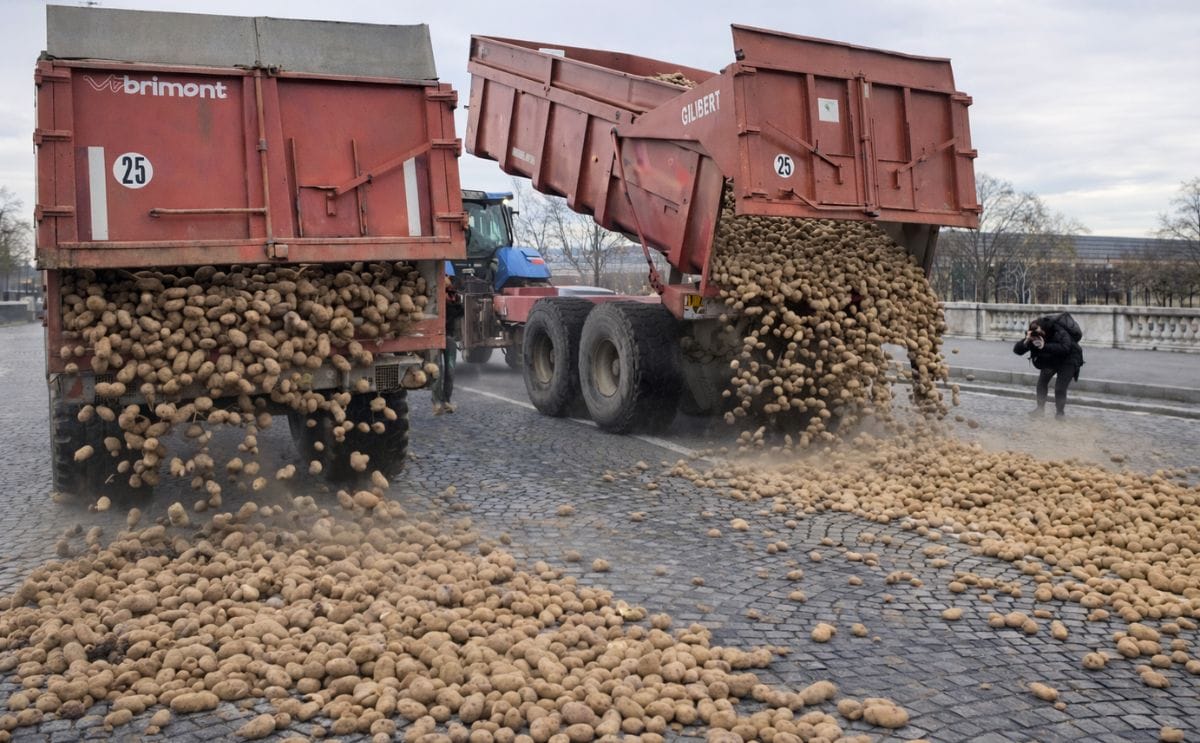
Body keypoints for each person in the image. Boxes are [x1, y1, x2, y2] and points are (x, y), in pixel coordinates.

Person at [1012, 317, 1084, 418]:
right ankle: (1040, 409)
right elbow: (1017, 351)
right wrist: (1027, 340)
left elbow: (1065, 348)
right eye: (1035, 333)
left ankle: (1060, 413)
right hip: (1052, 359)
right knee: (1042, 382)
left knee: (1060, 388)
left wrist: (1044, 346)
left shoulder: (1059, 331)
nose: (1038, 335)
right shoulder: (1033, 336)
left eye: (1039, 332)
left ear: (1044, 329)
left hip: (1069, 359)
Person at [432, 283, 462, 415]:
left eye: (453, 293)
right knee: (437, 371)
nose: (452, 296)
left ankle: (446, 400)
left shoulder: (454, 305)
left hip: (449, 339)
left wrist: (452, 302)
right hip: (435, 339)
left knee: (450, 371)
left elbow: (460, 312)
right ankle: (437, 402)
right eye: (449, 293)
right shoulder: (436, 304)